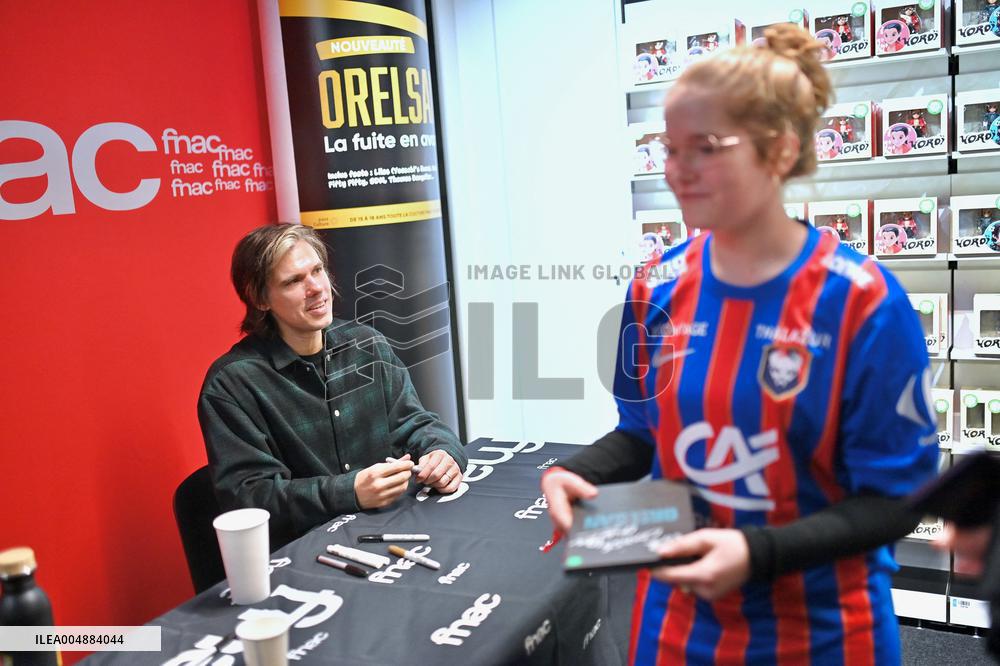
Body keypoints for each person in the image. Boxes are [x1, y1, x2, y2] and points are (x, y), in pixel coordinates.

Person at [542, 24, 937, 664]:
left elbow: (895, 502)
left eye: (705, 148)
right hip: (676, 627)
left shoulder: (863, 301)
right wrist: (575, 472)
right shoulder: (655, 288)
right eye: (670, 148)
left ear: (779, 150)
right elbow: (643, 434)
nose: (677, 171)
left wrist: (759, 553)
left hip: (824, 631)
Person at [198, 223, 467, 547]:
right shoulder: (232, 385)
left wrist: (443, 452)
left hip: (392, 531)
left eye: (317, 270)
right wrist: (349, 492)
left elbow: (415, 424)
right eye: (294, 281)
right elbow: (250, 497)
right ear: (260, 298)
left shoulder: (367, 345)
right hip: (307, 554)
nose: (316, 288)